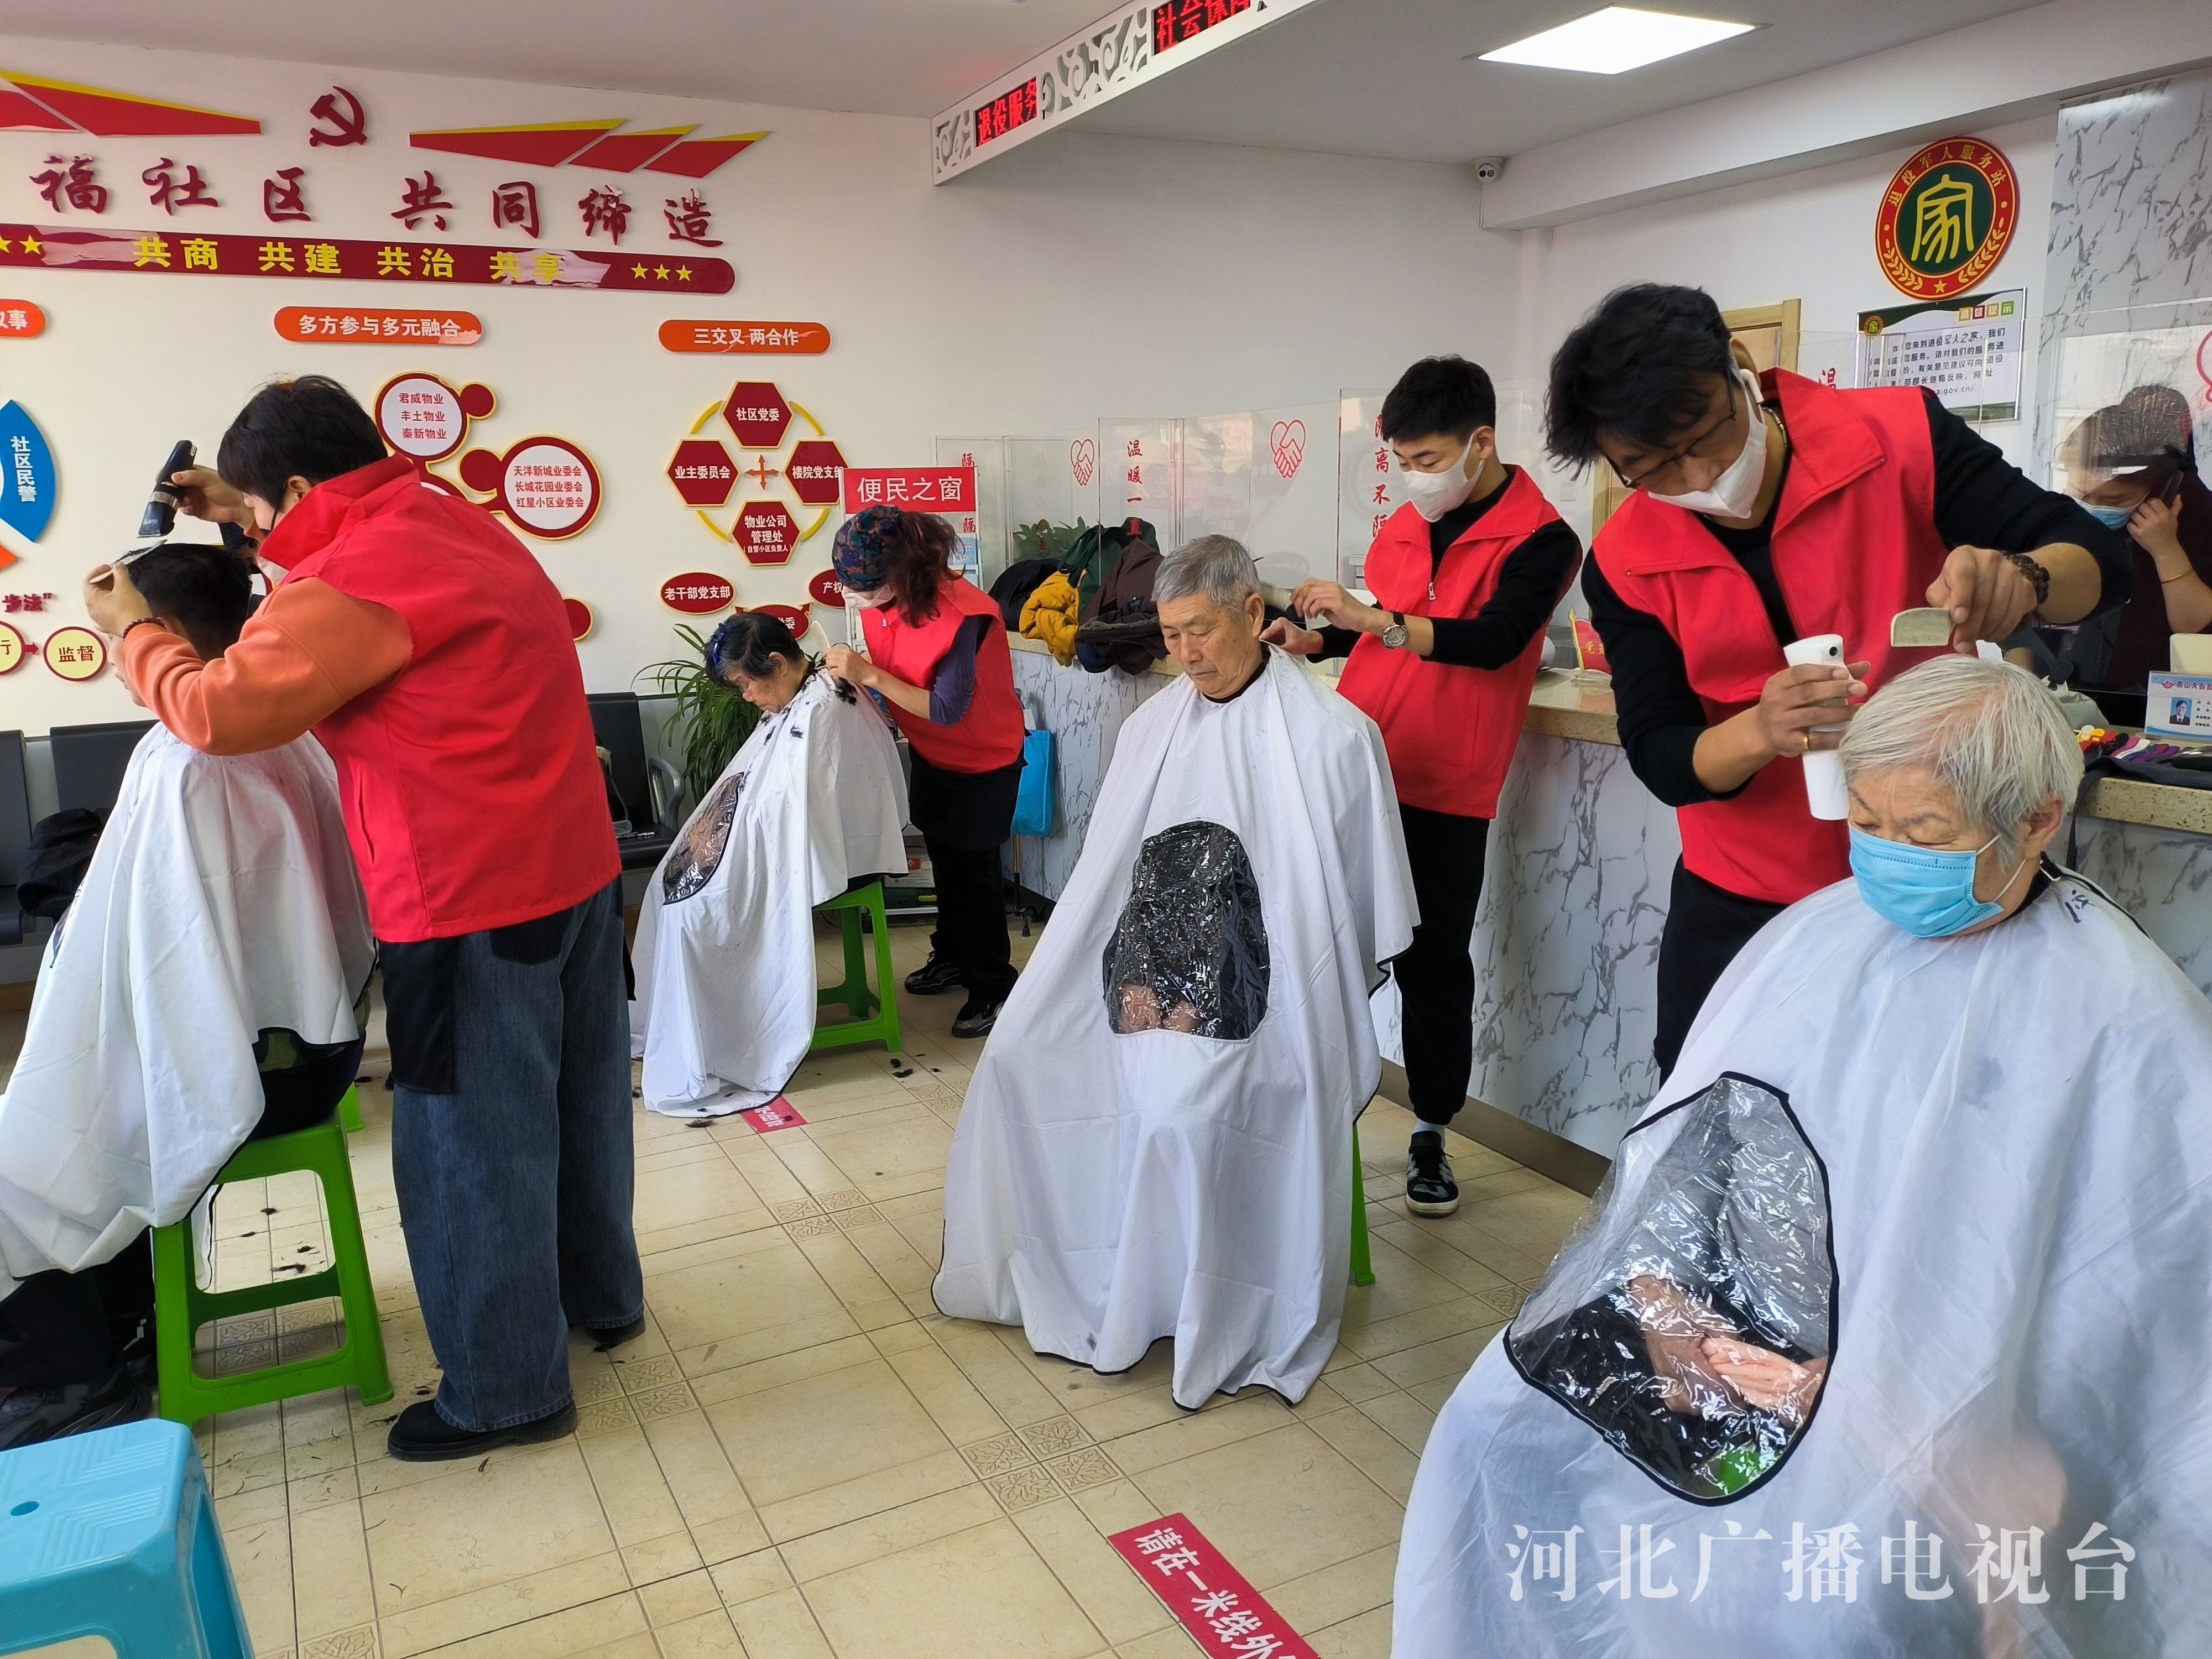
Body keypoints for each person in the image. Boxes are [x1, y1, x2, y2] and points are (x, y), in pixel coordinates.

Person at [1394, 655, 2212, 1656]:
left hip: (1943, 1401)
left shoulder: (2125, 1017)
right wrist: (1666, 1302)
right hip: (1733, 1330)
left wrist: (1879, 1396)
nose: (1889, 855)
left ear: (2039, 819)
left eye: (1926, 835)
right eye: (1866, 822)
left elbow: (2132, 1307)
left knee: (1831, 1604)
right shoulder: (1814, 939)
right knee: (1489, 1435)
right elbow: (1695, 1150)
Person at [81, 375, 641, 1462]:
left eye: (261, 511)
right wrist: (240, 512)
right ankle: (600, 1299)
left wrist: (136, 630)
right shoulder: (445, 518)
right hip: (574, 870)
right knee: (577, 1110)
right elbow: (338, 581)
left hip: (468, 898)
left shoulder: (352, 578)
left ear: (299, 491)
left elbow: (215, 711)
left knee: (469, 1145)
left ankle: (506, 1393)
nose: (255, 532)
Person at [1552, 283, 2131, 1074]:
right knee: (1720, 1106)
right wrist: (1760, 731)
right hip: (1743, 901)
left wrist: (2026, 577)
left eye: (1706, 436)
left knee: (1929, 1105)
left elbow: (2101, 560)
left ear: (1740, 365)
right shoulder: (1625, 561)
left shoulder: (1897, 438)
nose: (1700, 476)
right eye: (1651, 469)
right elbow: (1661, 753)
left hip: (1933, 877)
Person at [934, 537, 1416, 1408]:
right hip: (1144, 968)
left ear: (1252, 613)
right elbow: (1109, 884)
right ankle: (1104, 1268)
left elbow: (1343, 919)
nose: (1185, 653)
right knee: (1016, 1057)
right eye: (1170, 634)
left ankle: (1193, 1297)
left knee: (1174, 1109)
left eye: (1201, 631)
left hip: (1260, 996)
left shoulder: (1335, 737)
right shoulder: (1151, 726)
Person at [1, 542, 373, 1447]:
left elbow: (173, 973)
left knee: (30, 1157)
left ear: (155, 631)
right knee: (78, 1115)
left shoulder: (187, 760)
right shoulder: (285, 727)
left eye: (117, 635)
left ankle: (72, 1377)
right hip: (312, 1048)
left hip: (258, 1067)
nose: (116, 660)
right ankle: (122, 1325)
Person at [1265, 354, 1582, 1215]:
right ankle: (1304, 1102)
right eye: (1403, 460)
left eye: (1430, 459)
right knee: (1325, 937)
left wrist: (1372, 619)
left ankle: (1432, 1130)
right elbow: (1386, 631)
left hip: (1449, 785)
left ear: (1482, 442)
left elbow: (1494, 640)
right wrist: (1321, 641)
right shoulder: (1406, 525)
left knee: (1432, 964)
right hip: (1362, 765)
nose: (1416, 477)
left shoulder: (1543, 540)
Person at [629, 611, 907, 1117]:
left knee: (695, 918)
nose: (746, 697)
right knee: (665, 893)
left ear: (777, 663)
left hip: (835, 855)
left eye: (745, 684)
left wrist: (738, 857)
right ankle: (689, 1030)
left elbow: (796, 810)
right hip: (778, 842)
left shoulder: (826, 705)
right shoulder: (797, 699)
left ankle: (722, 1040)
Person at [822, 504, 1026, 1039]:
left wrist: (869, 675)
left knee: (976, 879)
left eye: (866, 588)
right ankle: (953, 956)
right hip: (932, 754)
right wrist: (859, 677)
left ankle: (993, 987)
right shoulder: (887, 600)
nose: (857, 597)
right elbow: (899, 665)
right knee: (946, 867)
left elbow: (947, 708)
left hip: (983, 761)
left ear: (905, 571)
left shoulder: (964, 616)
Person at [2061, 387, 2211, 699]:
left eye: (2113, 500)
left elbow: (2196, 631)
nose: (2095, 508)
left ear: (2162, 486)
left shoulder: (2201, 518)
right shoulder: (2103, 515)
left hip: (2163, 697)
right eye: (2084, 497)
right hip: (2087, 686)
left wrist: (2166, 549)